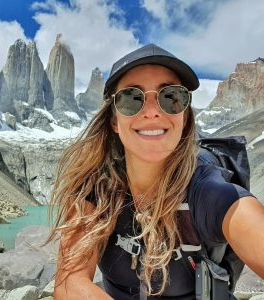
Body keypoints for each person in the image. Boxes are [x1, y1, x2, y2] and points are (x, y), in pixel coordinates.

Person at [48, 44, 264, 299]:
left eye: (171, 97)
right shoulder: (97, 189)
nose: (152, 112)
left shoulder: (212, 195)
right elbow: (69, 281)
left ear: (184, 118)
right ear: (114, 121)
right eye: (131, 98)